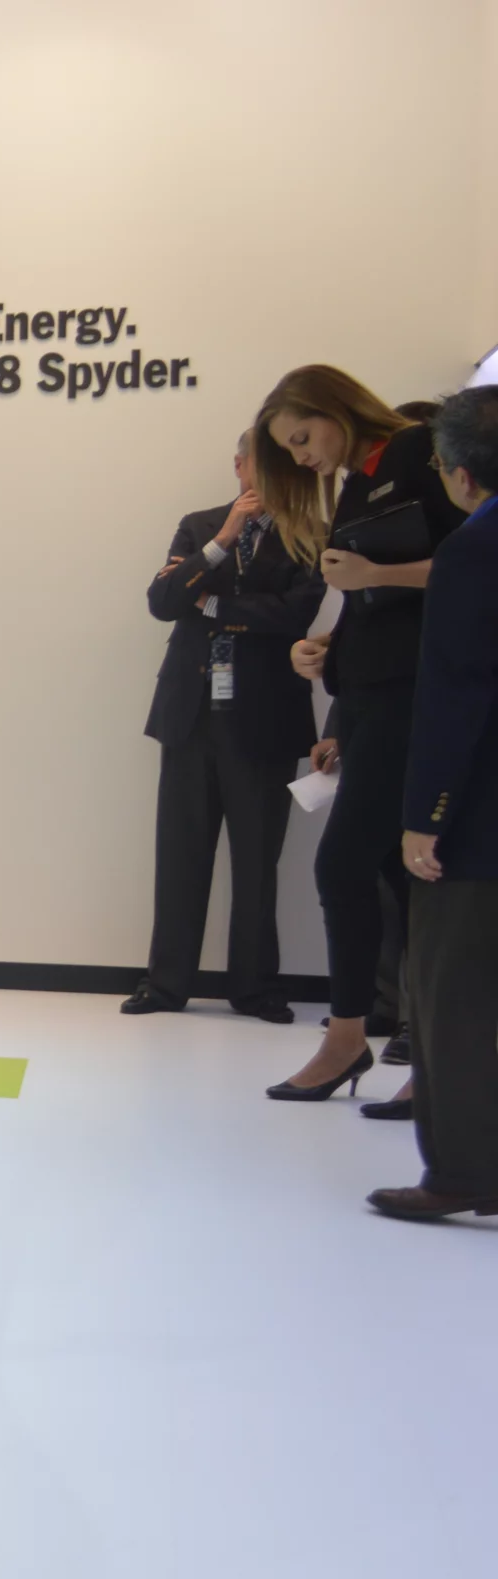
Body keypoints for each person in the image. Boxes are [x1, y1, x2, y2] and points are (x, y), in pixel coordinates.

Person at [253, 366, 468, 1100]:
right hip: (374, 698)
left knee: (346, 866)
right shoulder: (356, 483)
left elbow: (470, 565)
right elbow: (370, 602)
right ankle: (427, 1056)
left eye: (303, 437)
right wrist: (325, 653)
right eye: (291, 449)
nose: (303, 457)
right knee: (396, 878)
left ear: (331, 407)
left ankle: (350, 1040)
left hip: (418, 698)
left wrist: (375, 571)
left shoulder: (415, 453)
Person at [125, 432, 325, 1021]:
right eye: (254, 465)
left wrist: (208, 603)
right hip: (191, 713)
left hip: (265, 716)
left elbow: (294, 613)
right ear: (238, 466)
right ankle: (165, 985)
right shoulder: (200, 525)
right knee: (180, 854)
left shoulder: (307, 534)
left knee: (259, 860)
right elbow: (163, 600)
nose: (262, 478)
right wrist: (219, 545)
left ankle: (256, 987)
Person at [371, 387, 498, 1219]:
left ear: (455, 474)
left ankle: (460, 1171)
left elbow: (457, 689)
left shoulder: (475, 548)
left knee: (449, 995)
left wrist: (429, 812)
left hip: (483, 819)